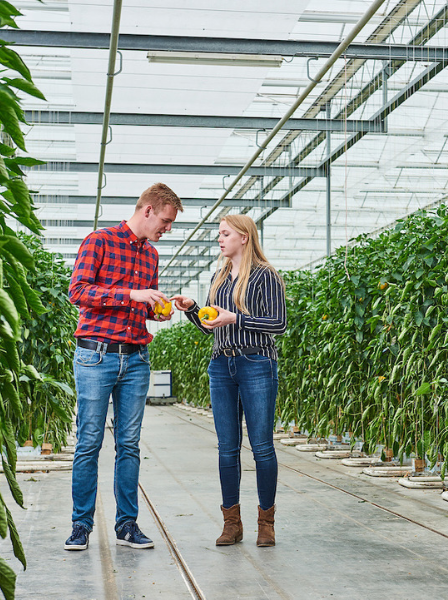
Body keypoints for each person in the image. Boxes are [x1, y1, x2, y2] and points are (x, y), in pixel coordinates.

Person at [64, 183, 182, 551]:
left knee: (128, 445)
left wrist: (158, 308)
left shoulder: (151, 256)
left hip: (135, 358)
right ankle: (81, 525)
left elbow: (143, 306)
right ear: (147, 210)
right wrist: (131, 294)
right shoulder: (99, 241)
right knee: (89, 442)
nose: (167, 229)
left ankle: (126, 524)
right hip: (96, 356)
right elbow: (79, 291)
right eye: (165, 221)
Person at [171, 214, 286, 547]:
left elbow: (278, 323)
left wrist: (235, 316)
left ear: (244, 237)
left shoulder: (266, 276)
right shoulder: (218, 277)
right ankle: (231, 523)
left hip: (256, 362)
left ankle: (266, 523)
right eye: (218, 235)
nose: (219, 240)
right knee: (226, 448)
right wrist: (194, 309)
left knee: (262, 446)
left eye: (224, 234)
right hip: (221, 365)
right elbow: (211, 324)